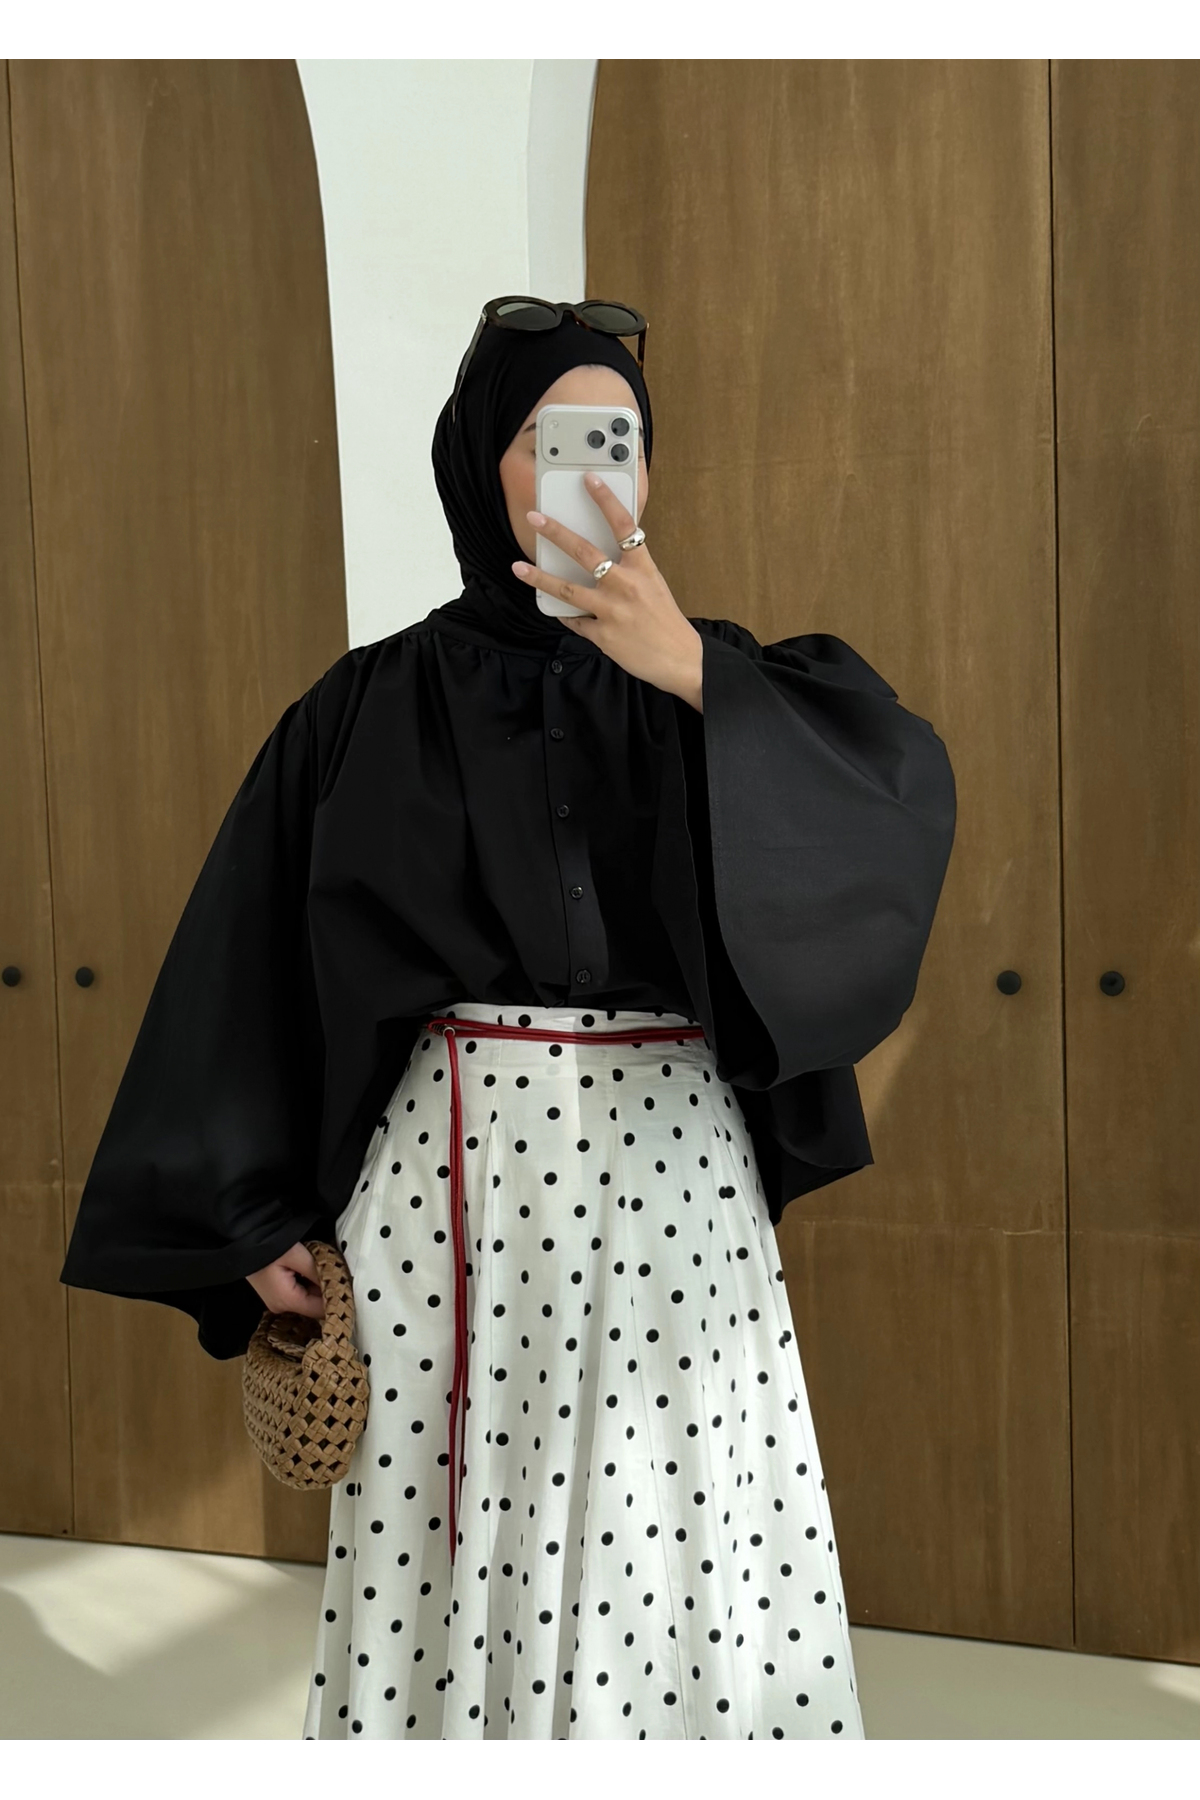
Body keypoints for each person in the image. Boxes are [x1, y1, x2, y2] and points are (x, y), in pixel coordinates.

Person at [60, 300, 957, 1740]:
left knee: (673, 1521)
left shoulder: (729, 681)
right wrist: (249, 1213)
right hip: (448, 1193)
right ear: (482, 464)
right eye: (549, 438)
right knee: (448, 1525)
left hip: (671, 1184)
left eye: (619, 440)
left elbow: (890, 811)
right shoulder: (368, 703)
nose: (591, 470)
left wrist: (694, 674)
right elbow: (251, 955)